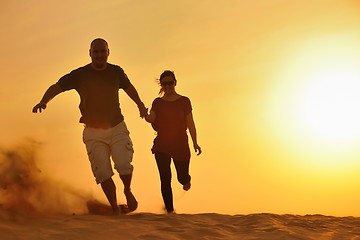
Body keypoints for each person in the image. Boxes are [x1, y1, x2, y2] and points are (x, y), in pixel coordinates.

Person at [32, 38, 147, 215]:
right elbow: (57, 87)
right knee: (102, 172)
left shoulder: (116, 72)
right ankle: (115, 208)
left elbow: (129, 88)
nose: (99, 55)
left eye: (103, 51)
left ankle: (127, 190)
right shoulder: (80, 74)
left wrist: (140, 105)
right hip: (93, 132)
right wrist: (43, 101)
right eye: (96, 52)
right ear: (90, 53)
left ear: (108, 52)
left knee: (123, 164)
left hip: (117, 127)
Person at [144, 70, 202, 214]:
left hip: (180, 144)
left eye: (170, 83)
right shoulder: (157, 102)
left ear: (175, 83)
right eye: (165, 84)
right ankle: (170, 212)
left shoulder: (184, 101)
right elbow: (152, 118)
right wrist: (144, 114)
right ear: (161, 85)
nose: (168, 86)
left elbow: (190, 123)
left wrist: (195, 142)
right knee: (165, 178)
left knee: (181, 178)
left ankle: (186, 179)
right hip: (162, 144)